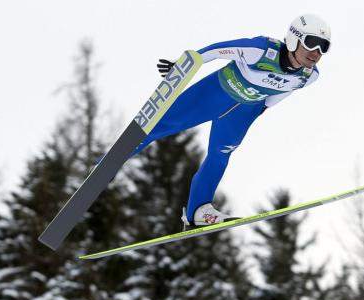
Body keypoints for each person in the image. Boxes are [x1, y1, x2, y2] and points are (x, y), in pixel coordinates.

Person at [132, 13, 331, 230]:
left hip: (244, 111)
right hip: (215, 94)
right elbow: (216, 51)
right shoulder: (261, 50)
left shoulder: (309, 76)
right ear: (294, 39)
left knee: (220, 154)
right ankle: (107, 163)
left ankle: (198, 211)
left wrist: (261, 109)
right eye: (311, 43)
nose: (316, 52)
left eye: (324, 47)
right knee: (158, 126)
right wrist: (185, 66)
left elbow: (284, 91)